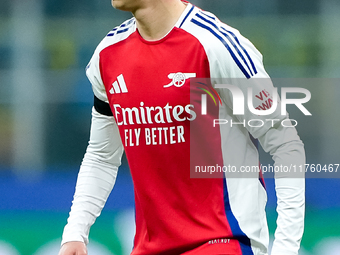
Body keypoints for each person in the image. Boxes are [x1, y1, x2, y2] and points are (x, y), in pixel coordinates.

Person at [58, 0, 305, 255]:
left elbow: (286, 144)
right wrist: (75, 232)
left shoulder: (216, 45)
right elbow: (102, 155)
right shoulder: (107, 55)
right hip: (148, 247)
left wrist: (286, 248)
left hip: (223, 241)